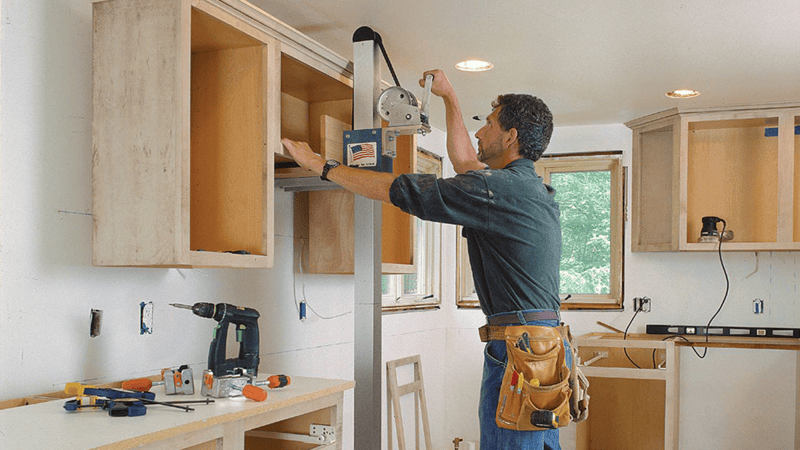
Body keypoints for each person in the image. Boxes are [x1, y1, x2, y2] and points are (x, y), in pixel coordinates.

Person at [282, 69, 564, 450]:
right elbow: (466, 160)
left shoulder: (496, 190)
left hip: (519, 349)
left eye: (490, 124)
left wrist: (321, 165)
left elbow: (395, 188)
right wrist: (450, 97)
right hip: (544, 348)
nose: (480, 133)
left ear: (511, 137)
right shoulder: (530, 189)